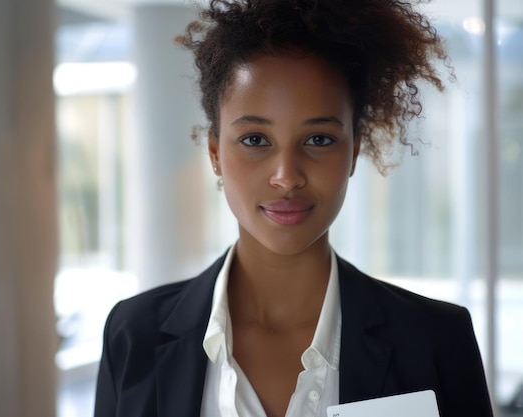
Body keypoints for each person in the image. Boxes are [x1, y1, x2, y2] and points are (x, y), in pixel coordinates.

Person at [94, 0, 494, 416]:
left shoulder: (434, 340)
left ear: (354, 152)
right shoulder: (133, 335)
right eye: (254, 140)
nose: (286, 176)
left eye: (319, 139)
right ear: (215, 153)